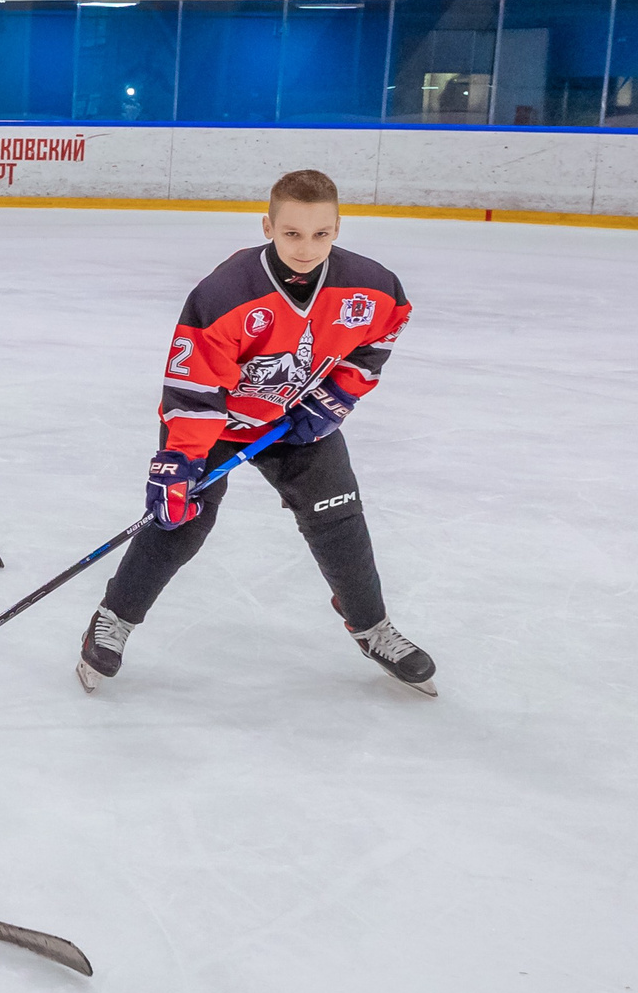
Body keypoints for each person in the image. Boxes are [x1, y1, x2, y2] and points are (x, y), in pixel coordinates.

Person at [79, 168, 434, 696]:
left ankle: (372, 626)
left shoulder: (374, 286)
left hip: (296, 421)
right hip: (218, 422)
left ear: (338, 228)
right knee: (182, 521)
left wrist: (337, 395)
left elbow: (383, 332)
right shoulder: (226, 294)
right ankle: (116, 617)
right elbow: (194, 386)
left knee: (338, 519)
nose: (306, 247)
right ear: (267, 226)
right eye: (292, 233)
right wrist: (179, 462)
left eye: (320, 234)